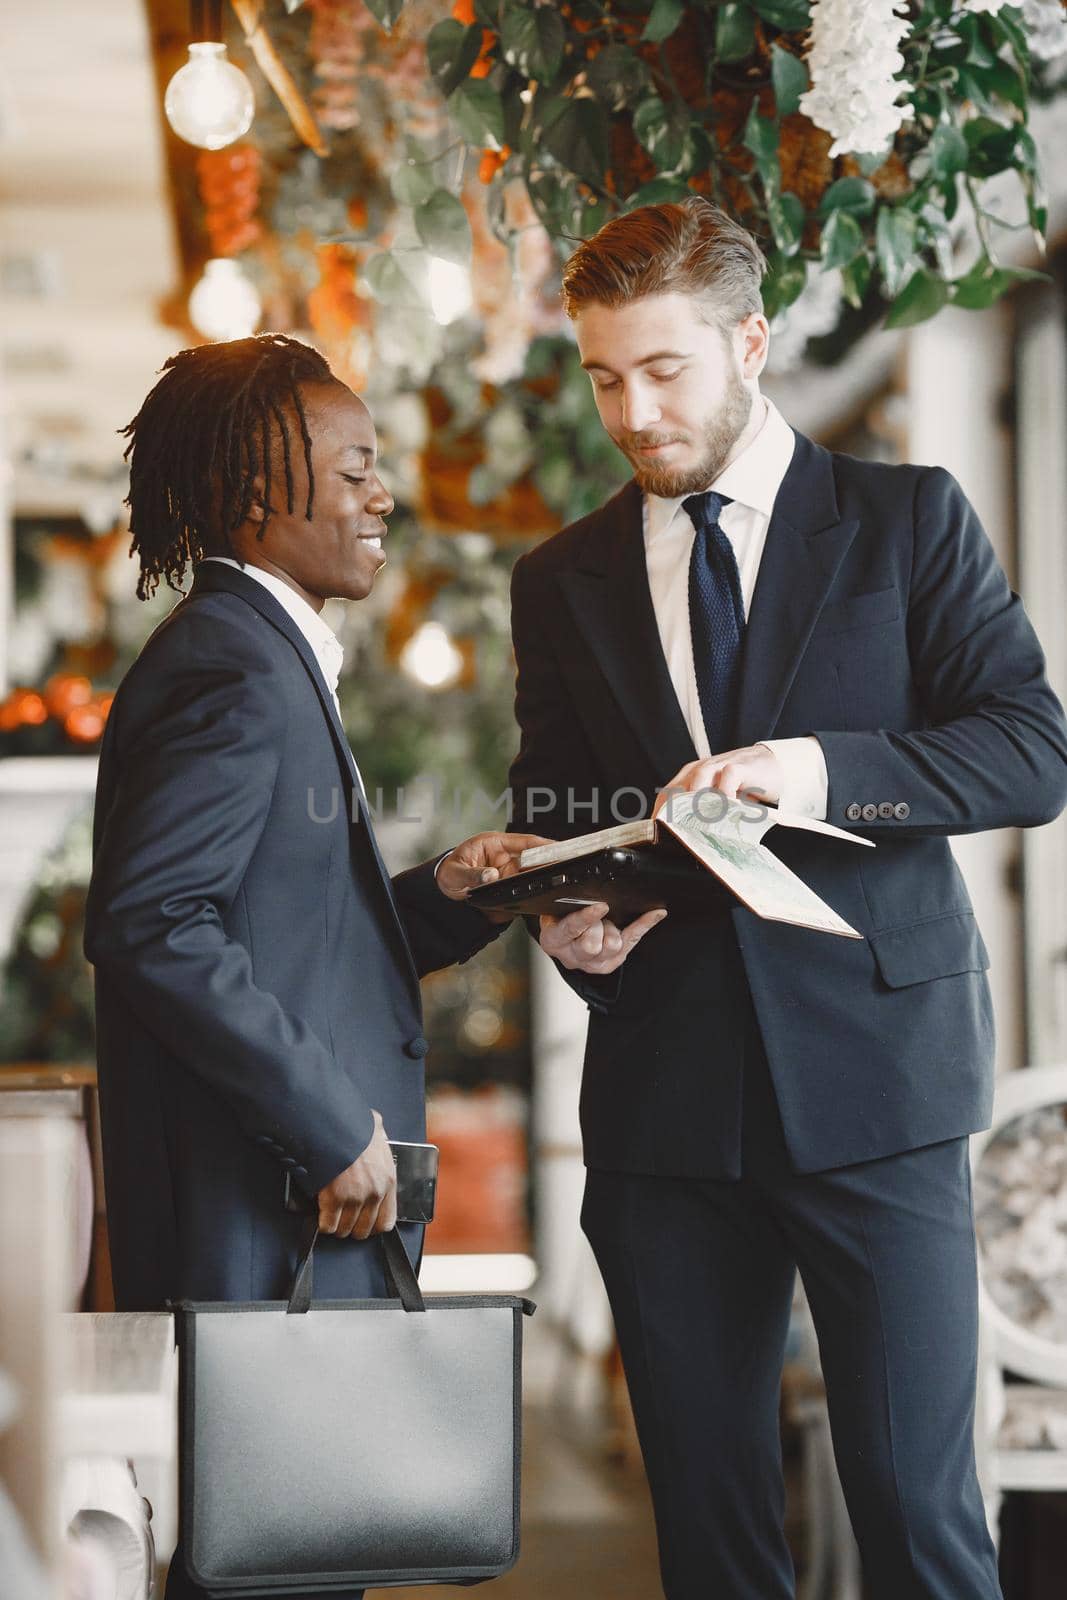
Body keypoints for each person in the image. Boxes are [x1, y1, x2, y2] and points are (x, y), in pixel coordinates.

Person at [507, 199, 1067, 1599]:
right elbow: (560, 801)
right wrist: (564, 916)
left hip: (875, 1090)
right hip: (663, 1107)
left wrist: (814, 771)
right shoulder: (558, 578)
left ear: (747, 342)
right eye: (601, 377)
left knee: (913, 1513)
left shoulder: (904, 521)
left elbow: (1027, 749)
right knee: (707, 1538)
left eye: (663, 370)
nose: (630, 411)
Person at [83, 333, 531, 1599]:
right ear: (249, 498)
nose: (381, 495)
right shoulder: (237, 665)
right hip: (260, 1216)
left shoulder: (252, 654)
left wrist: (447, 897)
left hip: (270, 1210)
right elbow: (156, 923)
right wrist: (332, 1126)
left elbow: (282, 933)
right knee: (268, 1567)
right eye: (352, 470)